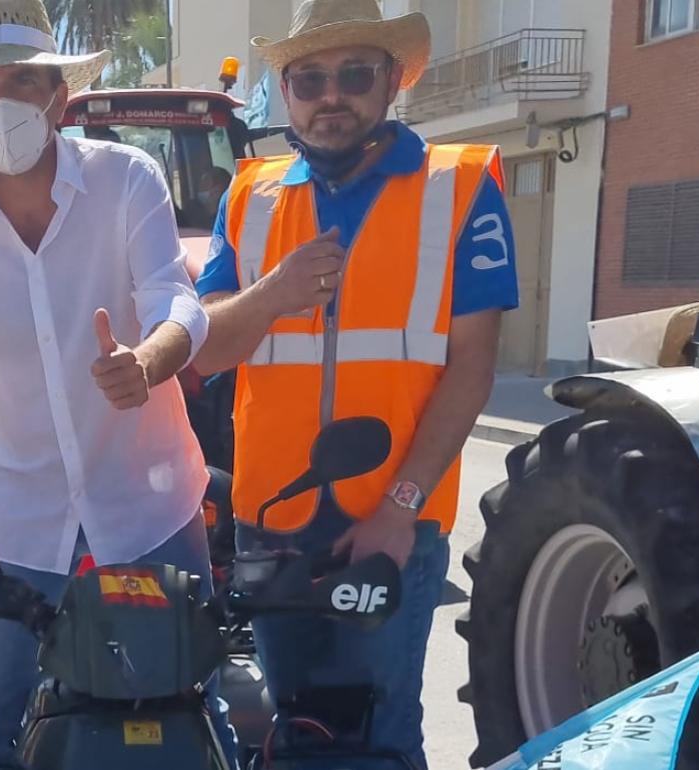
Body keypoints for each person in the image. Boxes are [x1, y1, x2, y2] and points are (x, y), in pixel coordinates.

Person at [0, 0, 237, 764]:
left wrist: (150, 358)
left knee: (192, 718)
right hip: (15, 535)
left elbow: (175, 298)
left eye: (24, 80)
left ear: (59, 97)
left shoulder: (127, 181)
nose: (2, 100)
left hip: (152, 514)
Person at [192, 0, 518, 766]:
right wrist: (273, 293)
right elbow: (207, 348)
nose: (330, 95)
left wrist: (400, 511)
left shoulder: (459, 187)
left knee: (379, 739)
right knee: (293, 731)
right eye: (308, 79)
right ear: (286, 90)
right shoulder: (249, 196)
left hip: (390, 528)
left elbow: (472, 366)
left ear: (393, 78)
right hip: (272, 522)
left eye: (354, 73)